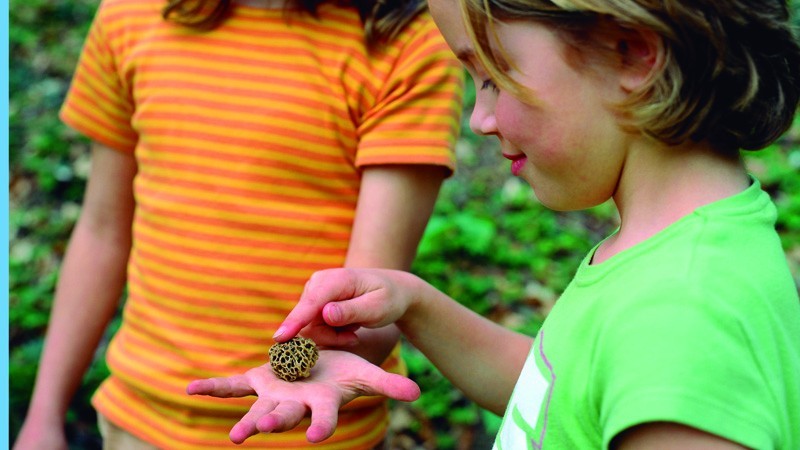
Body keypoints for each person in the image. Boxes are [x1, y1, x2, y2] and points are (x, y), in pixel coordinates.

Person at [187, 0, 800, 448]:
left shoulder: (685, 312)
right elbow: (565, 393)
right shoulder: (672, 253)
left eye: (490, 74)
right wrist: (412, 304)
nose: (478, 118)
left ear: (632, 53)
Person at [13, 0, 464, 448]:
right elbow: (102, 232)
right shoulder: (131, 15)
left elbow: (372, 295)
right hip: (141, 420)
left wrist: (319, 366)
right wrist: (44, 415)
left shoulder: (406, 41)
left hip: (315, 430)